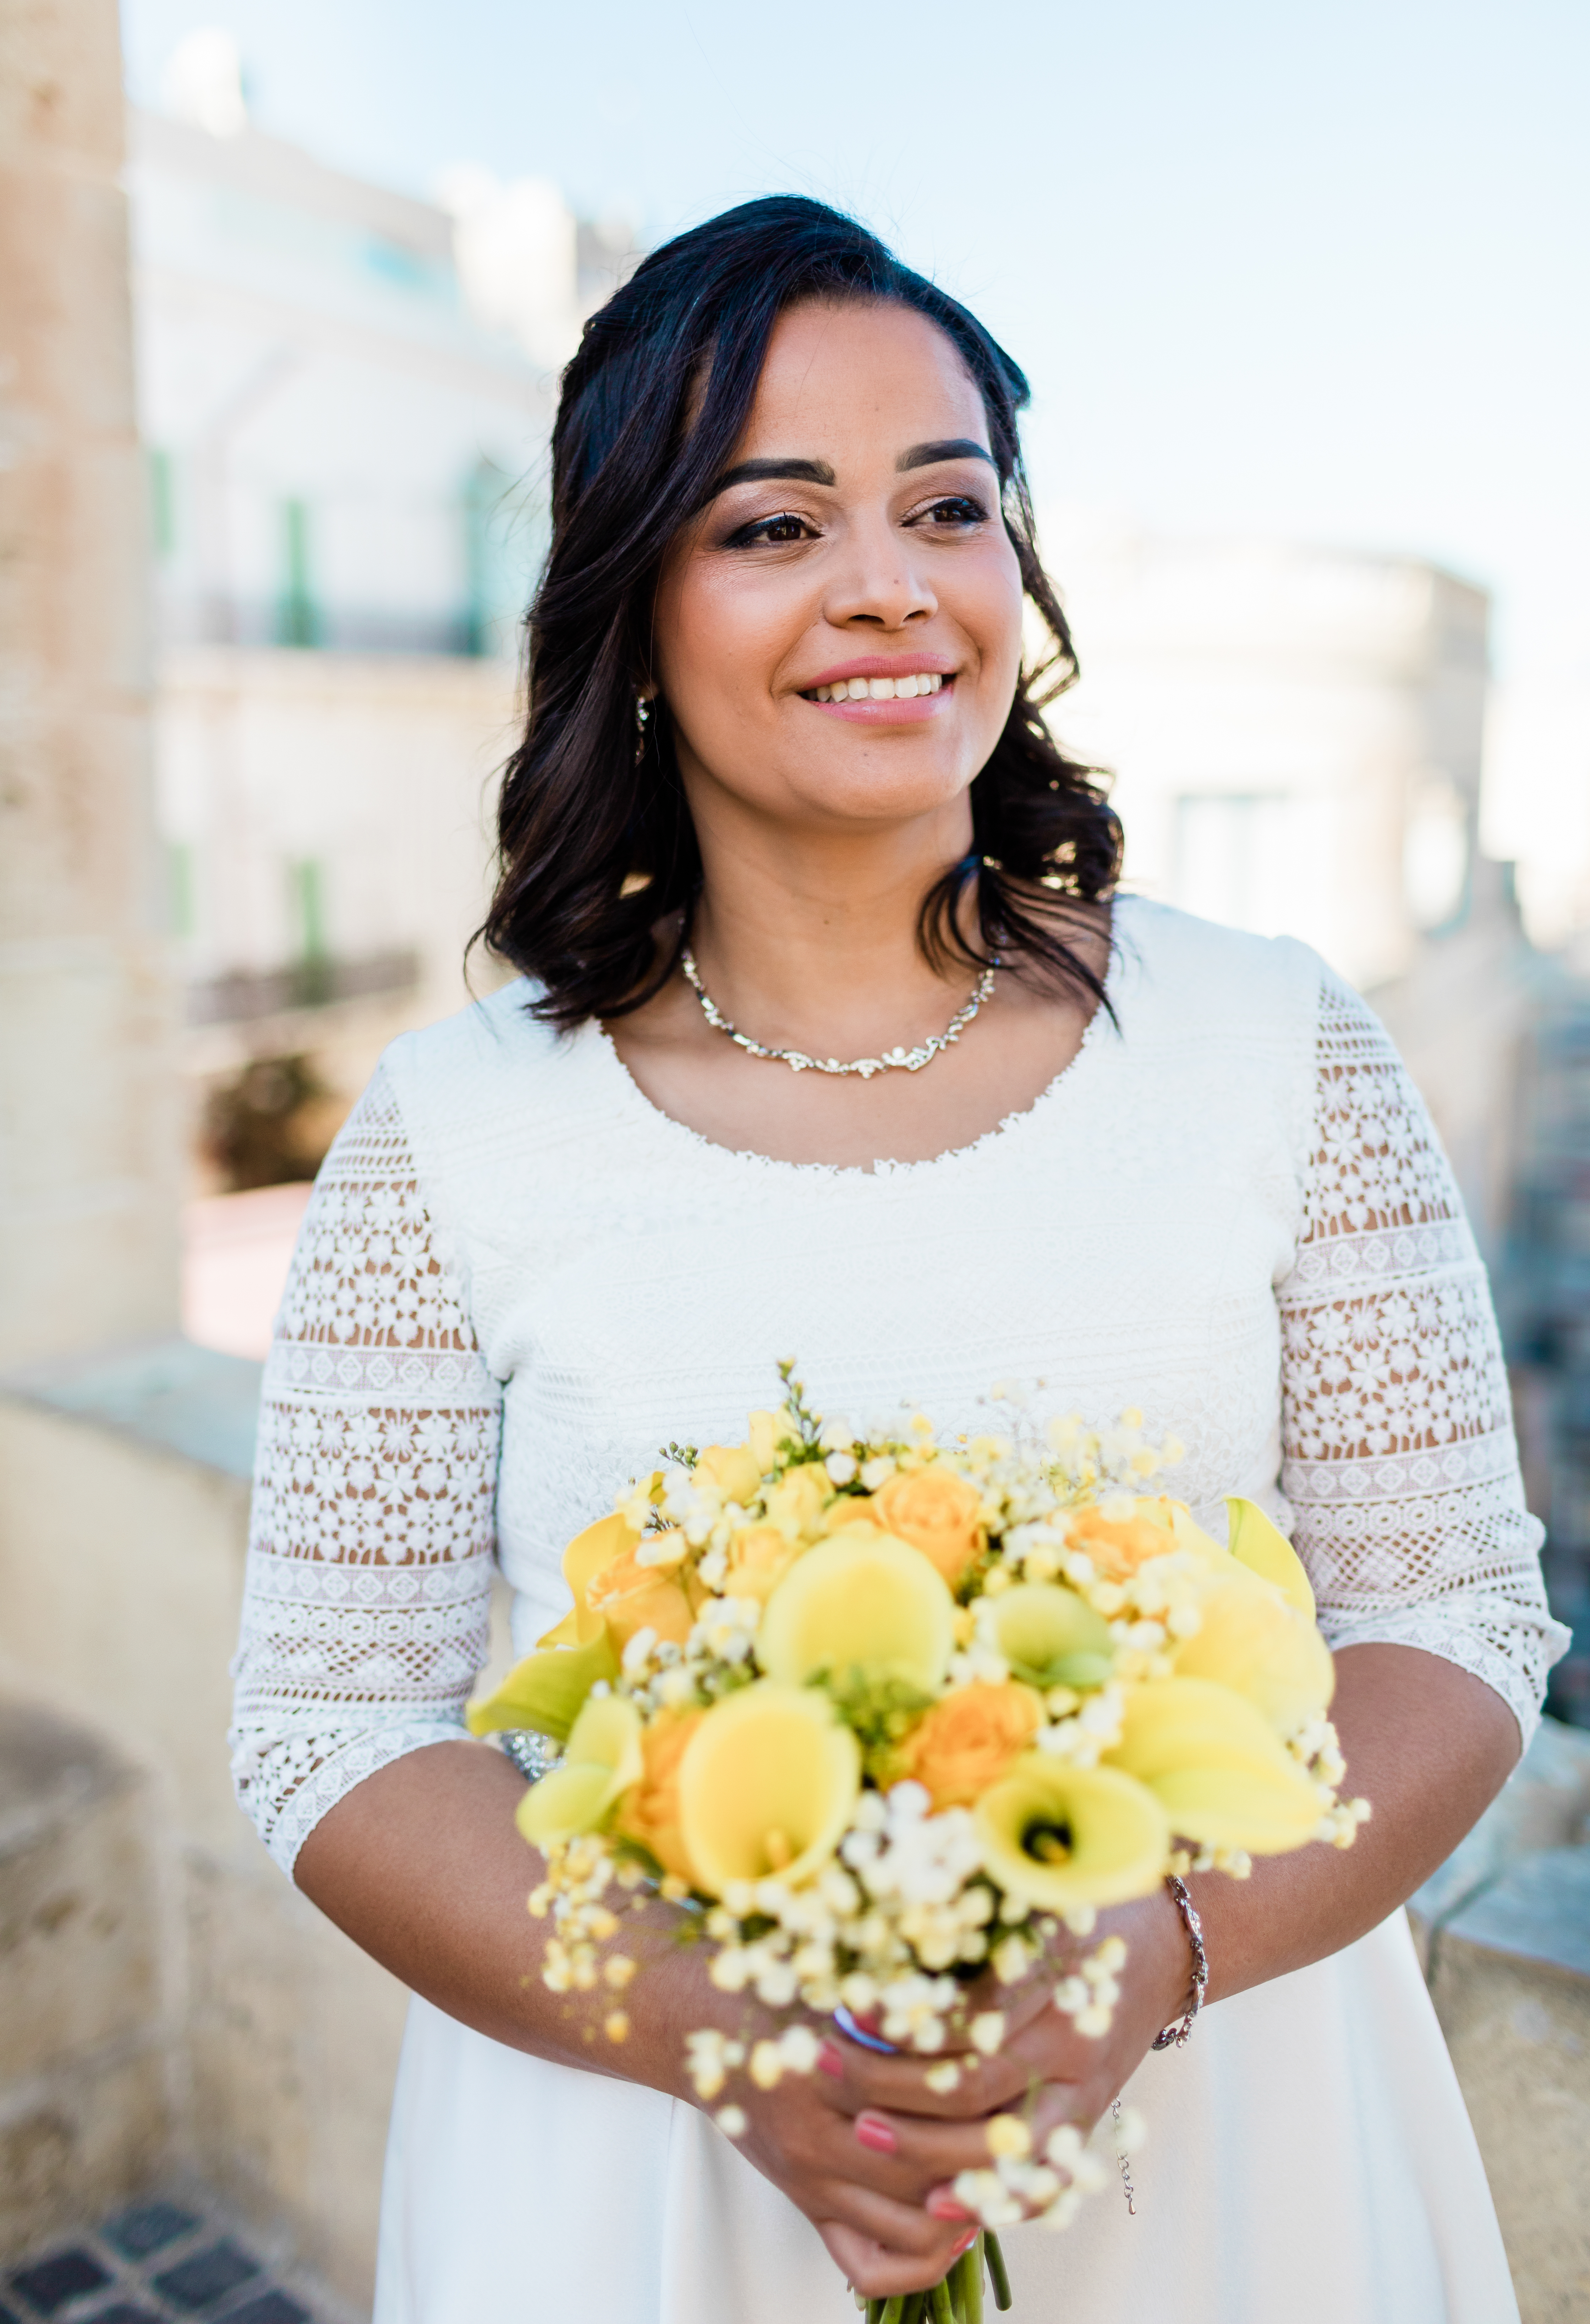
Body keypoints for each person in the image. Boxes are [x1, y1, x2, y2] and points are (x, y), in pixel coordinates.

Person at [229, 197, 1564, 2324]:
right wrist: (744, 2059)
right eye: (772, 527)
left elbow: (1458, 1614)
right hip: (649, 2182)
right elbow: (329, 1730)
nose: (888, 586)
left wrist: (1170, 1945)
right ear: (630, 605)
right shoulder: (451, 1134)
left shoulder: (1274, 1038)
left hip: (1230, 2158)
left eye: (948, 504)